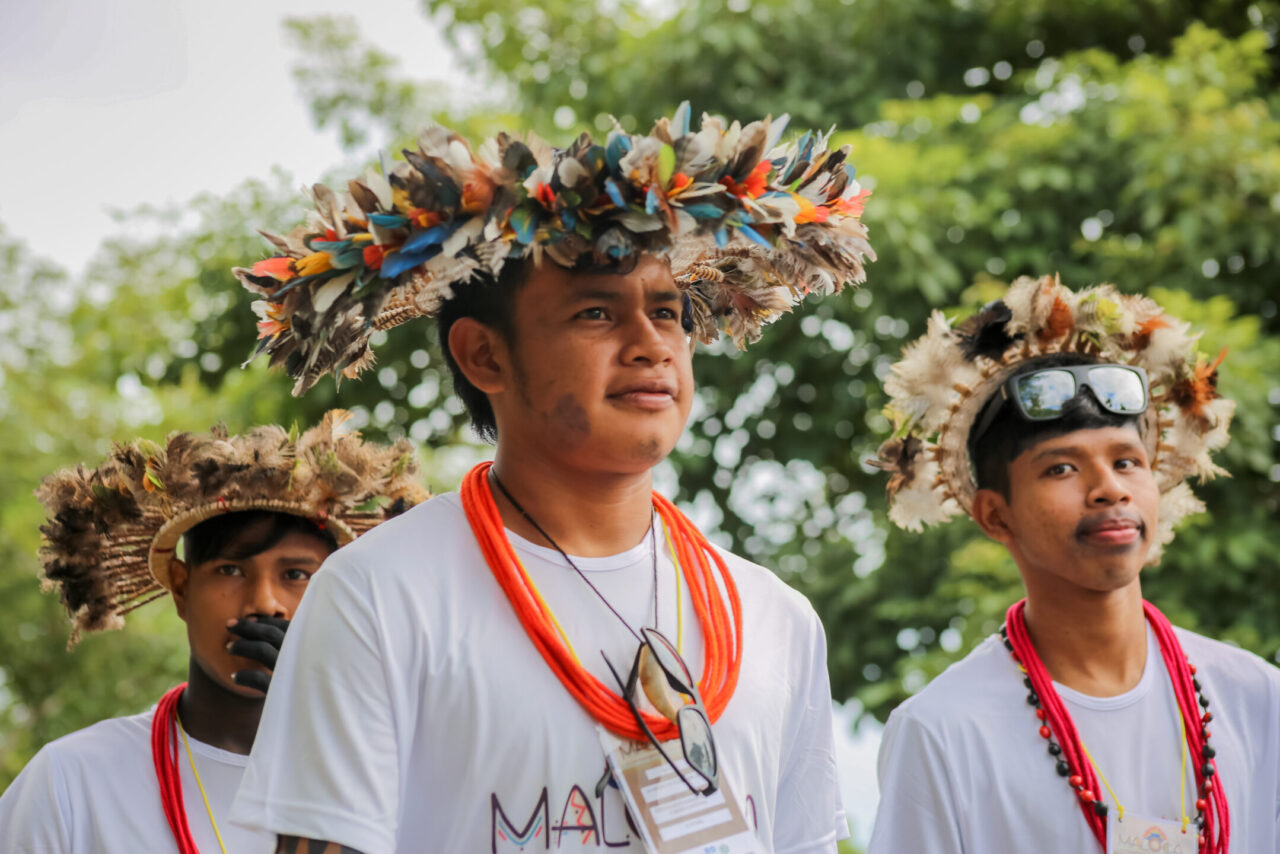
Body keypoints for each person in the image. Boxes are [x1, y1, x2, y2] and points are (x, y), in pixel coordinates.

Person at [226, 103, 876, 853]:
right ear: (484, 357)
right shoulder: (380, 595)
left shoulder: (773, 619)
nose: (650, 344)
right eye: (596, 313)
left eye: (666, 312)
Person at [867, 275, 1280, 853]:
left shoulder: (1255, 697)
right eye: (1061, 468)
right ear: (995, 516)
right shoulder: (943, 731)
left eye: (1128, 461)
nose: (1110, 489)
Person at [0, 411, 428, 854]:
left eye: (297, 575)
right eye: (230, 569)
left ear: (337, 600)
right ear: (182, 589)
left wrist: (317, 723)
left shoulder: (396, 786)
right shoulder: (72, 782)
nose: (265, 602)